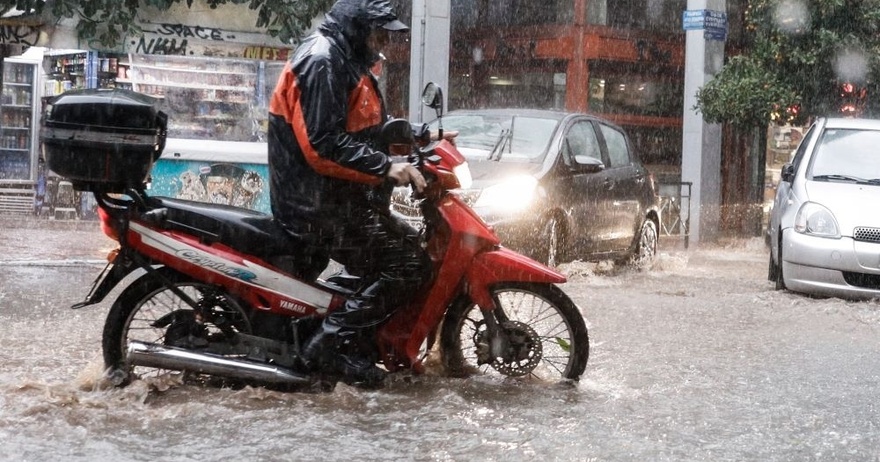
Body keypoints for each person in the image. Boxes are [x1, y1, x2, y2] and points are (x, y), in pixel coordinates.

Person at [267, 0, 431, 387]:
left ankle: (351, 339)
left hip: (340, 199)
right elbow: (324, 144)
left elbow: (367, 127)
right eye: (376, 31)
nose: (380, 42)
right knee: (409, 265)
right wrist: (385, 167)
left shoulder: (347, 58)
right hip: (317, 205)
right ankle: (332, 347)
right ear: (356, 26)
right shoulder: (322, 60)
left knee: (408, 251)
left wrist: (424, 136)